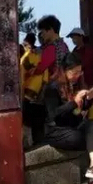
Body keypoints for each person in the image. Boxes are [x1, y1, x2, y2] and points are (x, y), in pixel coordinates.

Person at [43, 52, 93, 184]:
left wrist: (89, 99)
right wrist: (74, 102)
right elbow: (54, 114)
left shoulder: (74, 85)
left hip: (72, 125)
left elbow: (81, 110)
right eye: (74, 72)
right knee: (87, 138)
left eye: (79, 72)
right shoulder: (52, 88)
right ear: (64, 70)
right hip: (56, 130)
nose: (77, 76)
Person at [25, 15, 70, 144]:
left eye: (43, 32)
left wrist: (29, 71)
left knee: (47, 116)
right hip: (64, 87)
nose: (42, 35)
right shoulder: (63, 45)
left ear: (50, 30)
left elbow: (41, 67)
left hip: (51, 87)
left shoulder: (51, 48)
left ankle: (46, 141)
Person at [20, 32, 47, 103]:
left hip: (31, 85)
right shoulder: (34, 54)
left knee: (25, 103)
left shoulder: (30, 55)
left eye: (25, 44)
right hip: (32, 85)